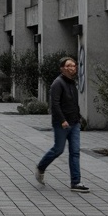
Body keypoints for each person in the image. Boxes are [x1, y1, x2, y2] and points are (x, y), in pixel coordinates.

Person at [34, 56, 89, 192]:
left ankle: (76, 182)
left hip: (74, 123)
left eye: (74, 66)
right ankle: (41, 167)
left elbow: (73, 103)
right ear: (62, 68)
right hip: (62, 123)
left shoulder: (72, 83)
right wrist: (62, 120)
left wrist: (78, 118)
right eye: (69, 66)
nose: (72, 68)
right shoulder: (57, 83)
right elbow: (55, 104)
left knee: (75, 152)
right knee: (58, 149)